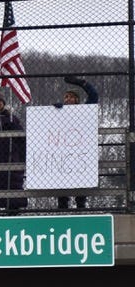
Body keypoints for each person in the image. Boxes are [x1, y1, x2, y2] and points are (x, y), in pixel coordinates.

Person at [54, 75, 99, 210]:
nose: (68, 100)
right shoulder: (59, 113)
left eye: (72, 97)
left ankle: (81, 208)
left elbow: (94, 95)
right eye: (66, 97)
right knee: (62, 182)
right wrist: (53, 111)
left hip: (80, 151)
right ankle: (62, 209)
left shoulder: (84, 111)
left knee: (80, 182)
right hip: (63, 152)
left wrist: (82, 83)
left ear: (77, 100)